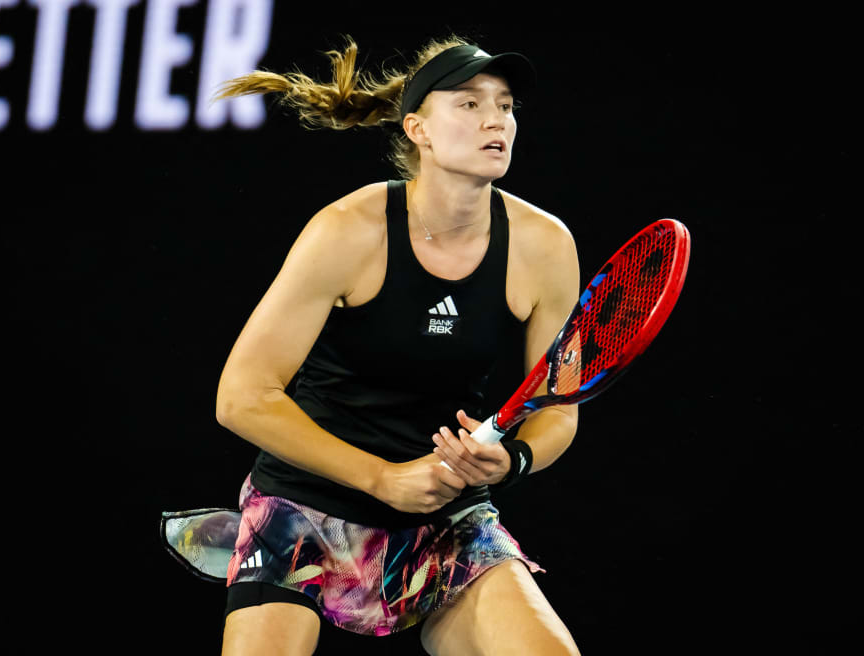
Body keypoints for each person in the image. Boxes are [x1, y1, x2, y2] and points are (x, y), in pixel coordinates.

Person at [161, 35, 582, 655]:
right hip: (304, 504)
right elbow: (242, 397)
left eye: (506, 105)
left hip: (443, 517)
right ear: (419, 129)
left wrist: (512, 460)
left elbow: (558, 409)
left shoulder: (545, 247)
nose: (496, 119)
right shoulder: (347, 231)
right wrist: (381, 478)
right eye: (468, 104)